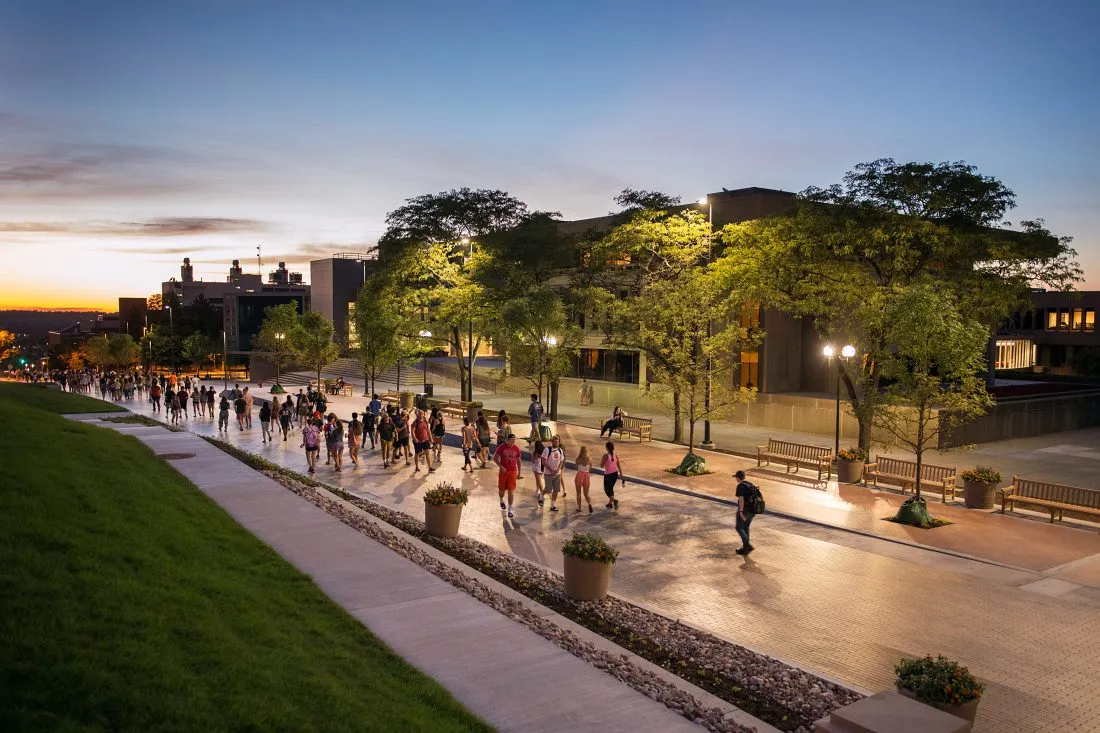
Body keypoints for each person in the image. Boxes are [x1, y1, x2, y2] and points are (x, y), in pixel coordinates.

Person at [494, 433, 522, 518]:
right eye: (511, 440)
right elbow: (495, 458)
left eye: (514, 440)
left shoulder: (516, 449)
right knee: (501, 491)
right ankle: (501, 500)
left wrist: (519, 472)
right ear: (507, 440)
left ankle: (510, 510)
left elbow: (519, 461)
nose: (513, 441)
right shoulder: (501, 447)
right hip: (503, 472)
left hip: (513, 472)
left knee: (511, 490)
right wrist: (501, 466)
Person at [733, 470, 758, 555]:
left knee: (739, 527)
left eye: (736, 477)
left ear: (738, 477)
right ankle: (746, 548)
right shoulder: (749, 484)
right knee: (746, 527)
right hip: (752, 510)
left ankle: (747, 546)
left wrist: (740, 512)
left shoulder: (740, 486)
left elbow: (741, 499)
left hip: (745, 510)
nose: (735, 479)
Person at [542, 435, 566, 512]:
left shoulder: (560, 450)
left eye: (558, 441)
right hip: (548, 473)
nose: (556, 442)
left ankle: (552, 505)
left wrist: (558, 469)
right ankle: (541, 495)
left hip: (557, 474)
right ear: (552, 441)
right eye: (555, 441)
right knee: (548, 489)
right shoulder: (547, 450)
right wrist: (551, 470)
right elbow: (544, 461)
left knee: (556, 490)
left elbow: (561, 460)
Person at [599, 441, 623, 510]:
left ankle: (614, 501)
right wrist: (621, 476)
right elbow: (619, 466)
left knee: (607, 490)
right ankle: (610, 504)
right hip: (615, 474)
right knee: (610, 488)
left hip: (608, 475)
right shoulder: (616, 455)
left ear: (607, 448)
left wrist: (602, 461)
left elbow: (601, 465)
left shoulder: (605, 456)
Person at [574, 445, 593, 514]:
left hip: (579, 475)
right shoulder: (589, 460)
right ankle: (589, 504)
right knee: (586, 494)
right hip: (586, 476)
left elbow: (577, 467)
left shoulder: (578, 459)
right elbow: (590, 469)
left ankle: (579, 507)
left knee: (578, 493)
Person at [531, 439, 546, 505]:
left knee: (538, 480)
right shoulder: (544, 451)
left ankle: (542, 493)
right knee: (538, 479)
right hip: (542, 467)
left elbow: (533, 460)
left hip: (537, 467)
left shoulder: (535, 452)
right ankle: (537, 489)